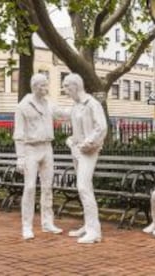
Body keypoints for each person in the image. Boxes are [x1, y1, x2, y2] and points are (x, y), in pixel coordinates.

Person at [13, 73, 69, 240]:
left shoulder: (48, 103)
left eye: (46, 85)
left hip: (47, 148)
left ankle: (47, 222)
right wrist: (20, 157)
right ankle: (27, 226)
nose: (46, 88)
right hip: (30, 149)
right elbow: (19, 133)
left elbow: (61, 114)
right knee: (29, 188)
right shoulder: (23, 106)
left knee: (47, 187)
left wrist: (80, 107)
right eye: (43, 85)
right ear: (35, 86)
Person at [62, 73, 108, 244]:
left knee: (83, 187)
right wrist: (72, 140)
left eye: (67, 86)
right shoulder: (76, 106)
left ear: (76, 85)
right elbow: (78, 130)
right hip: (77, 151)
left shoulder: (92, 103)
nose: (65, 90)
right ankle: (88, 225)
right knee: (84, 187)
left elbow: (101, 127)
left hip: (88, 151)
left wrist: (87, 142)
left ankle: (94, 231)